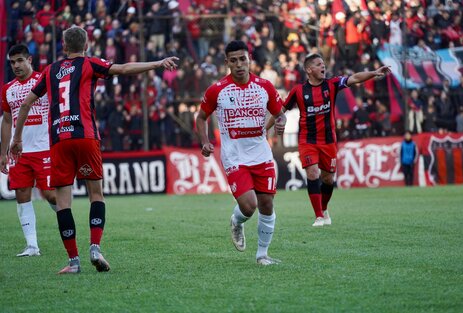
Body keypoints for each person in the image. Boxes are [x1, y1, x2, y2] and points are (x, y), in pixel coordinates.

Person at [10, 26, 178, 274]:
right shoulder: (90, 64)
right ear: (86, 46)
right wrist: (157, 63)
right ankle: (95, 247)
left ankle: (73, 261)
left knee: (64, 202)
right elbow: (123, 69)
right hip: (85, 136)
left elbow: (25, 104)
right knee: (96, 194)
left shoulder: (50, 70)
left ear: (64, 47)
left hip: (58, 140)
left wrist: (17, 138)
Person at [268, 53, 391, 227]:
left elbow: (354, 78)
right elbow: (280, 110)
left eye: (323, 64)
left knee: (327, 179)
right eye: (318, 64)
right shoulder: (298, 90)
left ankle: (324, 209)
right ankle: (318, 216)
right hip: (307, 140)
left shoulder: (332, 84)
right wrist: (264, 129)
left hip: (328, 140)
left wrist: (374, 72)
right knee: (312, 173)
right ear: (309, 69)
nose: (323, 66)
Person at [196, 40, 286, 266]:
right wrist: (205, 142)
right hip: (234, 156)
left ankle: (262, 255)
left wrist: (279, 123)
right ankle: (237, 221)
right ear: (227, 62)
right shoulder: (217, 90)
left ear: (250, 60)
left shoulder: (265, 86)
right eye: (233, 60)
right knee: (249, 206)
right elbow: (200, 118)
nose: (239, 65)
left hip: (262, 154)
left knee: (267, 204)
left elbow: (279, 112)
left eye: (242, 59)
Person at [0, 44, 57, 257]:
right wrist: (3, 153)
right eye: (12, 62)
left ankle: (66, 226)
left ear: (29, 60)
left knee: (51, 196)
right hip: (19, 153)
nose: (16, 65)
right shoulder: (8, 89)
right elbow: (7, 121)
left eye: (20, 61)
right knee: (22, 194)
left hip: (45, 149)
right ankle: (32, 246)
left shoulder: (44, 81)